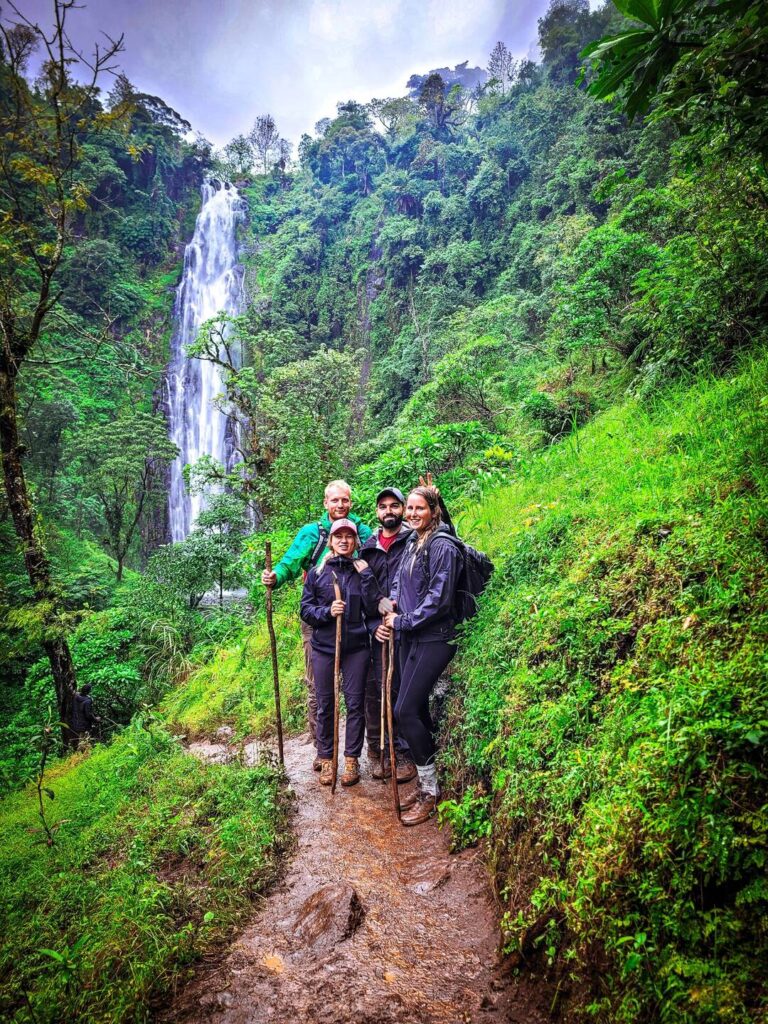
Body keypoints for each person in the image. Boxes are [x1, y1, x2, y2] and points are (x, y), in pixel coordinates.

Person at [261, 480, 372, 765]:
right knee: (318, 688)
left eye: (344, 500)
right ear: (325, 503)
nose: (340, 505)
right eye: (334, 501)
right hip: (318, 622)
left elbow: (378, 565)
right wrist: (276, 577)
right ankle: (323, 752)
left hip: (356, 621)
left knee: (358, 692)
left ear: (351, 502)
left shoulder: (363, 532)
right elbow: (291, 561)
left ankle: (359, 754)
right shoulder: (312, 533)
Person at [383, 485, 461, 825]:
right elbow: (402, 583)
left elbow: (439, 598)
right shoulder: (415, 542)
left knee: (404, 709)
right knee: (412, 708)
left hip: (435, 635)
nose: (412, 514)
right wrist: (393, 603)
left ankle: (431, 790)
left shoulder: (442, 545)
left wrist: (405, 620)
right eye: (409, 508)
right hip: (413, 634)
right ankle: (426, 778)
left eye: (419, 508)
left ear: (434, 511)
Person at [300, 519, 381, 787]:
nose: (344, 540)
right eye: (339, 537)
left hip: (356, 648)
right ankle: (326, 759)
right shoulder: (318, 573)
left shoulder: (362, 571)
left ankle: (351, 760)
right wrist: (327, 612)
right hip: (324, 648)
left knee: (355, 704)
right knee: (326, 704)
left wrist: (368, 576)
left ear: (356, 541)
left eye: (349, 537)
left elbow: (372, 608)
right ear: (332, 542)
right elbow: (305, 610)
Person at [360, 487, 416, 783]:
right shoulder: (367, 548)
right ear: (377, 512)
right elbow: (361, 594)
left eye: (395, 506)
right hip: (375, 631)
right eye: (383, 507)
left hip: (406, 625)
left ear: (404, 509)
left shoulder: (414, 541)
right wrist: (374, 626)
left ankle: (403, 754)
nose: (389, 511)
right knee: (376, 692)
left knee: (399, 691)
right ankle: (381, 752)